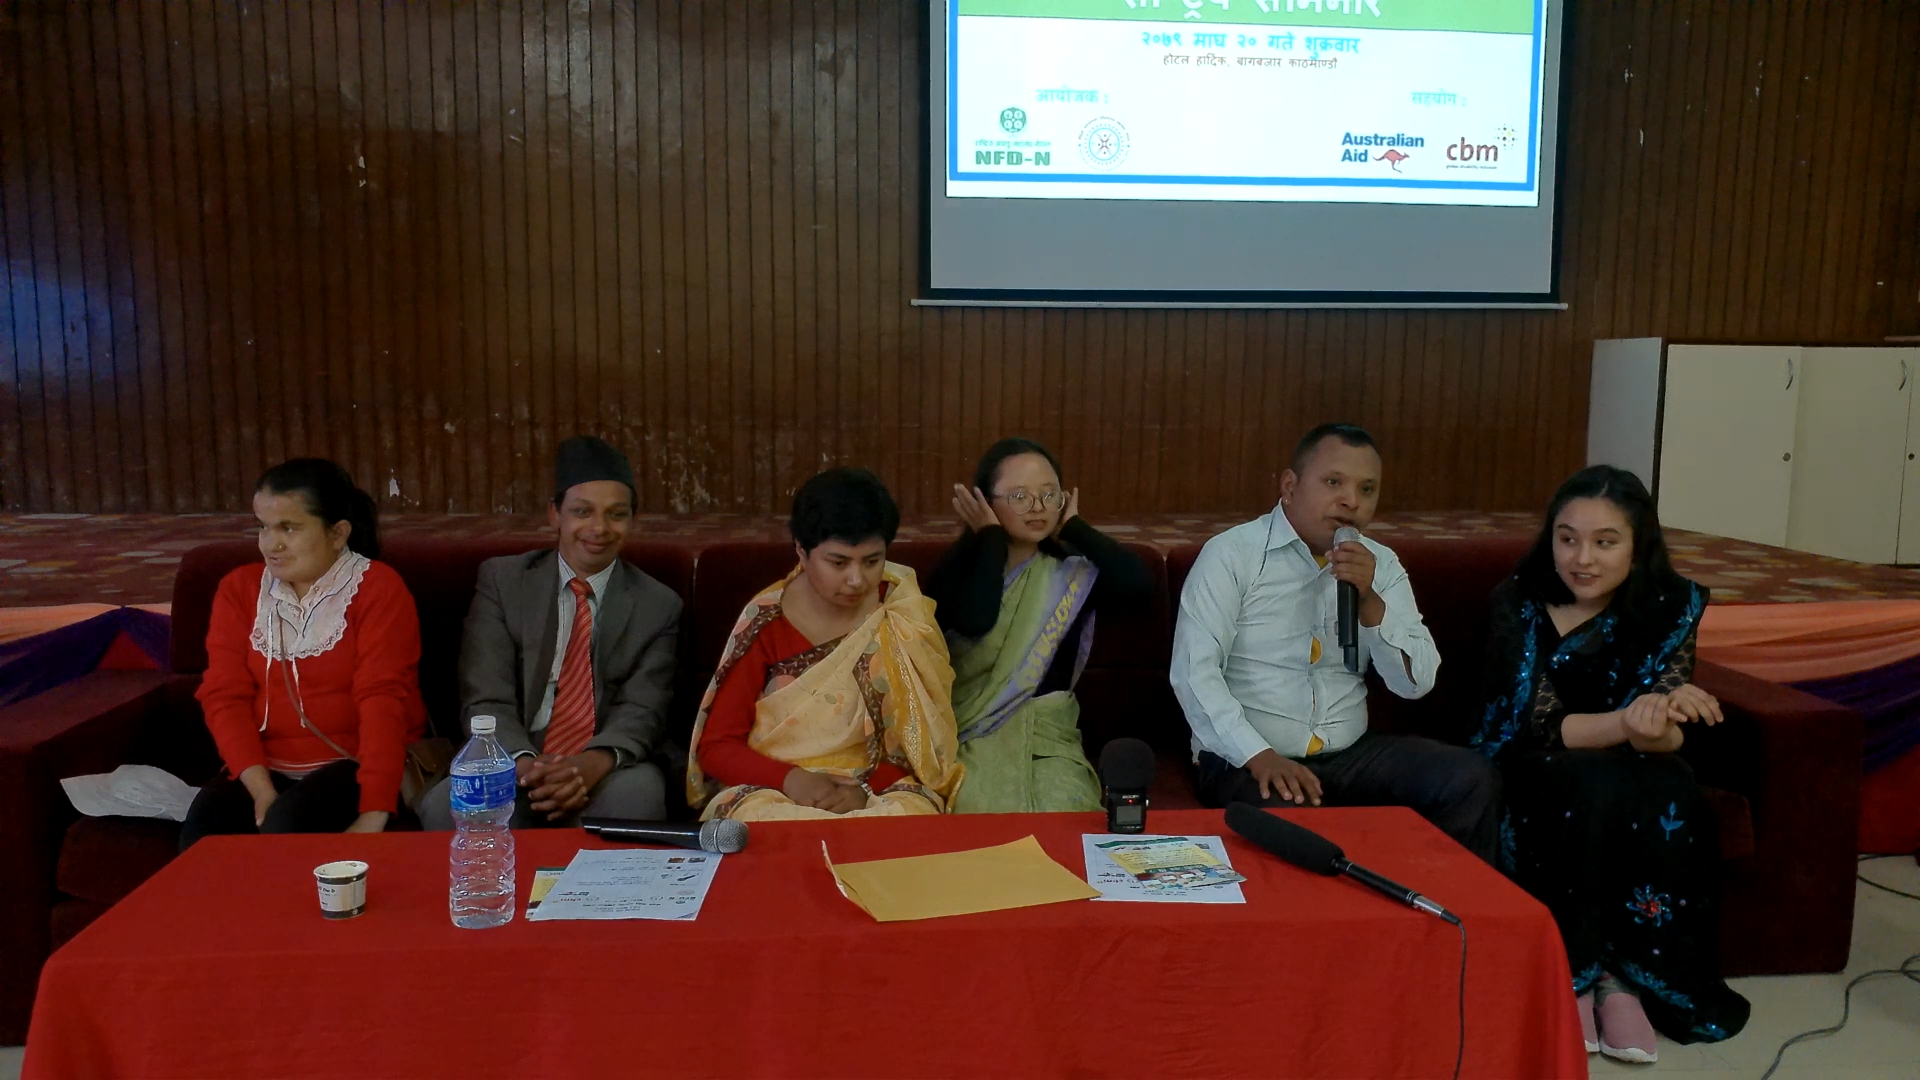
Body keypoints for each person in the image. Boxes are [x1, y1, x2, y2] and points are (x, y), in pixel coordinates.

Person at [1470, 465, 1750, 1062]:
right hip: (1533, 759)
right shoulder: (1517, 601)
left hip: (1632, 762)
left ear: (1638, 544)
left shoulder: (1671, 607)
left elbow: (1662, 744)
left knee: (1669, 782)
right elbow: (1535, 725)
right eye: (1567, 538)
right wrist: (1626, 722)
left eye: (1605, 541)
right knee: (1587, 780)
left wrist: (1661, 720)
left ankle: (1622, 978)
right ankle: (1571, 974)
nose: (1582, 558)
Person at [1170, 423, 1500, 860]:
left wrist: (1370, 604)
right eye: (1333, 483)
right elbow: (1194, 674)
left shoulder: (1379, 564)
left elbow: (1415, 683)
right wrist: (1259, 755)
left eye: (1367, 489)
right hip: (1245, 756)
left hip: (1349, 751)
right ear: (1290, 486)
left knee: (1468, 779)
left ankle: (1456, 917)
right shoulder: (1232, 555)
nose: (1352, 501)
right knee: (1291, 819)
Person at [417, 436, 681, 829]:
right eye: (582, 512)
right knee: (447, 808)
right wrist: (526, 766)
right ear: (555, 514)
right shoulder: (504, 582)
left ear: (632, 521)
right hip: (512, 753)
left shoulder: (657, 603)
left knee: (637, 798)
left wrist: (588, 765)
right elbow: (485, 695)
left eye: (616, 514)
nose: (599, 528)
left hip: (606, 761)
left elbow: (644, 710)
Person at [687, 467, 964, 820]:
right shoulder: (766, 621)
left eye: (872, 561)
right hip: (775, 792)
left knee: (907, 820)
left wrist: (861, 792)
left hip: (879, 793)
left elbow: (924, 749)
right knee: (765, 826)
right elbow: (716, 746)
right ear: (801, 552)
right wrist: (792, 780)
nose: (856, 579)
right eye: (838, 562)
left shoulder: (903, 618)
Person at [181, 459, 428, 849]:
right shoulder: (239, 589)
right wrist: (259, 788)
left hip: (354, 765)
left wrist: (374, 812)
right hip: (267, 767)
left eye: (289, 528)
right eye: (263, 527)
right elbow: (224, 696)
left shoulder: (378, 588)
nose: (271, 543)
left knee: (286, 832)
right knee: (201, 840)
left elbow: (384, 699)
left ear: (337, 534)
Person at [927, 438, 1154, 813]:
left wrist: (1075, 527)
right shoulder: (957, 573)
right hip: (970, 739)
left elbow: (1138, 586)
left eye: (1049, 496)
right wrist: (989, 539)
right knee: (974, 811)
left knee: (1068, 811)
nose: (1037, 507)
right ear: (984, 502)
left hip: (1049, 744)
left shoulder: (1069, 574)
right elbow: (977, 619)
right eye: (1019, 497)